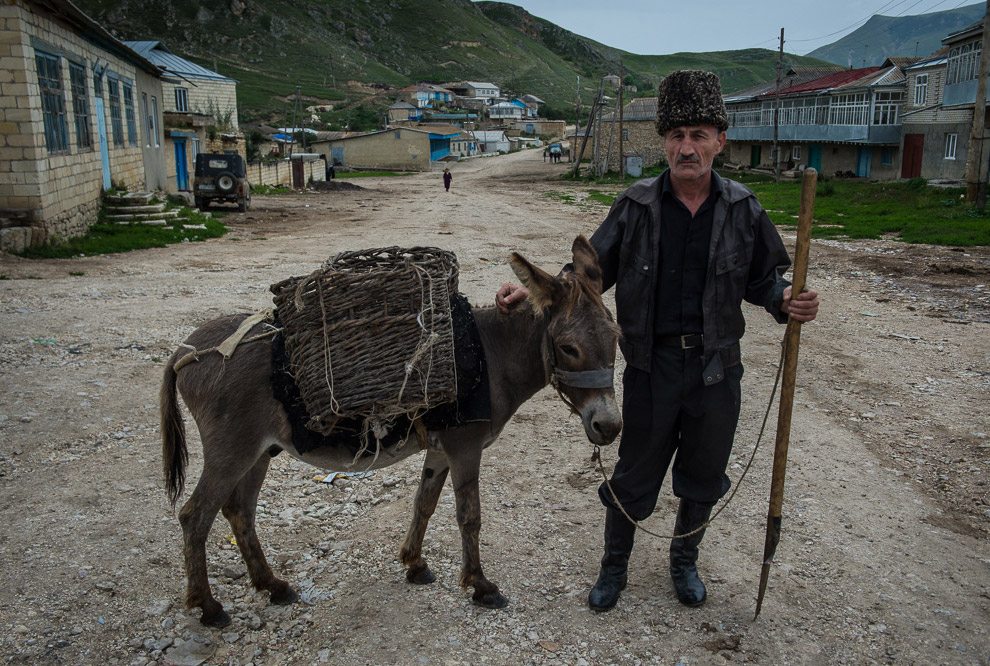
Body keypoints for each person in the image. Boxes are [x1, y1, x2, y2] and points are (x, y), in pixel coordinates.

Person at [495, 70, 819, 613]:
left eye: (698, 134)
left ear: (721, 139)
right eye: (676, 135)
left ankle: (684, 563)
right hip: (651, 367)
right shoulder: (636, 206)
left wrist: (786, 299)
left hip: (717, 370)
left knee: (704, 473)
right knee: (633, 473)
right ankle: (613, 567)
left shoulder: (744, 209)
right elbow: (585, 277)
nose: (686, 146)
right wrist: (531, 293)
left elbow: (767, 278)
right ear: (663, 141)